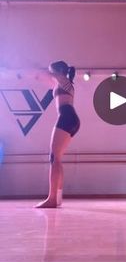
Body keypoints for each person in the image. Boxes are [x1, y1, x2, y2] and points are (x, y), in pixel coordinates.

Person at [35, 61, 80, 208]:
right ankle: (57, 198)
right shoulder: (61, 83)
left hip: (66, 116)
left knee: (54, 158)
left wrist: (33, 66)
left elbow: (47, 75)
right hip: (69, 117)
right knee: (57, 159)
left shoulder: (64, 81)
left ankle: (52, 198)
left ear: (58, 71)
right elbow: (45, 78)